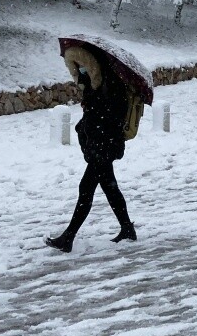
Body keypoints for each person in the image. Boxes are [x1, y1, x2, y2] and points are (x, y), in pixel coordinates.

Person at [47, 45, 136, 253]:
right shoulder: (95, 85)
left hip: (104, 145)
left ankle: (68, 237)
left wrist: (92, 113)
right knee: (109, 187)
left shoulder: (111, 84)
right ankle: (127, 228)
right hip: (99, 145)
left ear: (91, 65)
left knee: (85, 189)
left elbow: (110, 116)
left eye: (82, 66)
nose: (80, 71)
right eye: (76, 67)